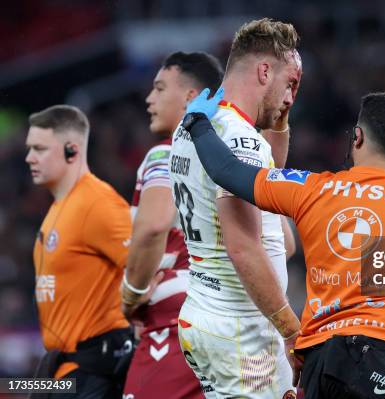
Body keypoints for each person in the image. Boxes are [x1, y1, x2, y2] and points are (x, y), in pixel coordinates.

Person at [181, 89, 385, 399]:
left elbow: (227, 171)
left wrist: (196, 122)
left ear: (357, 137)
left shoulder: (312, 188)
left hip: (321, 364)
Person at [169, 19, 301, 398]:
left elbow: (266, 185)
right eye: (289, 83)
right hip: (241, 328)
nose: (291, 96)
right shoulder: (241, 140)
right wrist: (292, 331)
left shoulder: (197, 124)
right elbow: (242, 246)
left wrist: (281, 119)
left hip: (206, 313)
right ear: (264, 71)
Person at [119, 52, 224, 399]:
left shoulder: (167, 153)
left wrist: (130, 298)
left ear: (190, 97)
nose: (149, 99)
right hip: (235, 328)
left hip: (174, 323)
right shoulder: (240, 155)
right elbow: (283, 243)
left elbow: (153, 226)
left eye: (159, 89)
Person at [26, 105, 134, 398]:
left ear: (72, 150)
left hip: (93, 372)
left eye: (39, 148)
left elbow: (146, 271)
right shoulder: (58, 208)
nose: (29, 158)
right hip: (60, 372)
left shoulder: (97, 202)